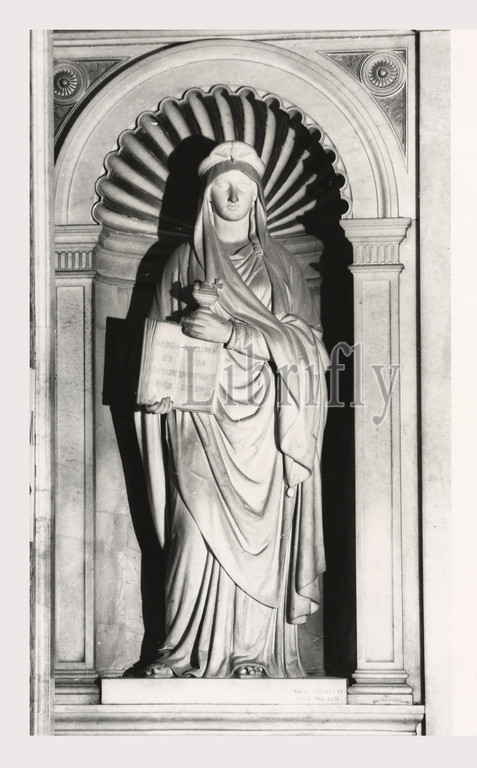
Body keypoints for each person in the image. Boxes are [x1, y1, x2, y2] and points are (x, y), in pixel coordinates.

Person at [136, 141, 329, 678]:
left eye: (243, 184)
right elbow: (155, 346)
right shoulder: (182, 261)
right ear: (207, 193)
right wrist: (161, 386)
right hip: (197, 418)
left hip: (265, 423)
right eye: (223, 183)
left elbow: (309, 350)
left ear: (258, 195)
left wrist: (232, 333)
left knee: (261, 542)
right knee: (191, 533)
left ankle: (251, 654)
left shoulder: (281, 265)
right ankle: (180, 650)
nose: (233, 192)